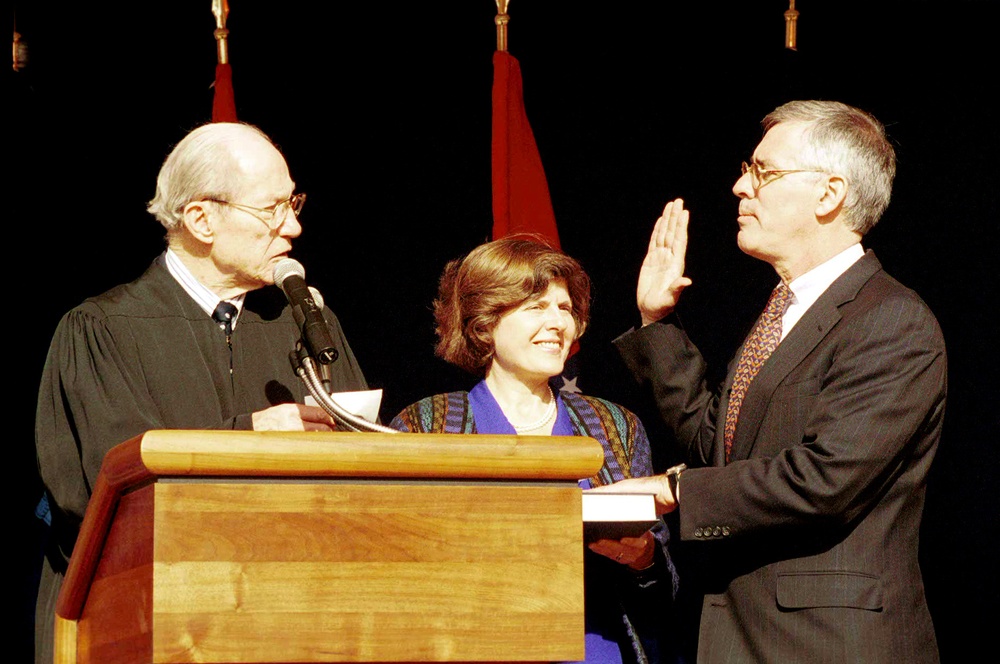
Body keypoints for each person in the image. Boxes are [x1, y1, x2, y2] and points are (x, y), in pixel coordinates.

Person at [600, 100, 947, 662]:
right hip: (742, 636)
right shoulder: (783, 313)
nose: (741, 187)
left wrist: (672, 489)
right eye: (748, 169)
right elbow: (719, 447)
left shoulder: (892, 320)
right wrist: (657, 323)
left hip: (828, 645)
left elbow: (827, 477)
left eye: (764, 172)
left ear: (829, 194)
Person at [33, 122, 368, 663]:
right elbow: (104, 483)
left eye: (294, 203)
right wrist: (250, 436)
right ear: (201, 218)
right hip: (141, 621)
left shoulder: (301, 323)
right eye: (272, 208)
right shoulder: (103, 330)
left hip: (288, 618)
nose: (294, 228)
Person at [390, 237, 682, 664]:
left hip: (595, 651)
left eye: (564, 308)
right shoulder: (426, 425)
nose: (557, 323)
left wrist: (643, 560)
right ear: (484, 324)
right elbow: (396, 571)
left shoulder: (615, 425)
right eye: (536, 307)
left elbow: (664, 591)